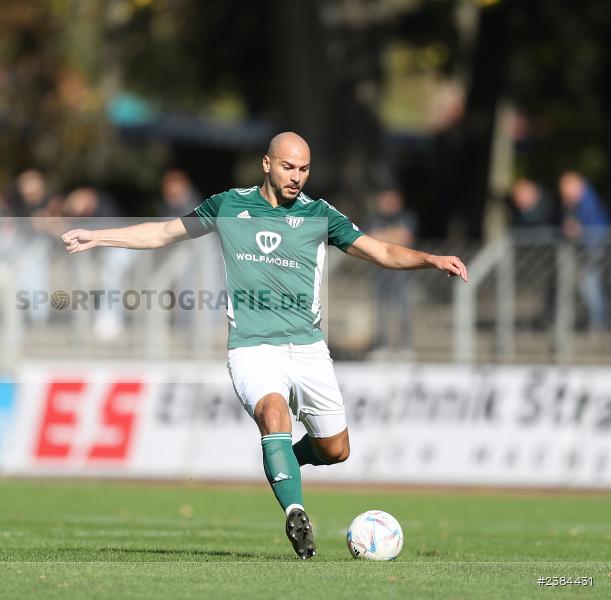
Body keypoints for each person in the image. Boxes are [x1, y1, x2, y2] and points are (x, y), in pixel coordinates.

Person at [60, 132, 467, 559]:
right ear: (267, 164)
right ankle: (296, 511)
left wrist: (430, 258)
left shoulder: (320, 214)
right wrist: (100, 237)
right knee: (273, 413)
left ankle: (280, 462)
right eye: (289, 167)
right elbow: (164, 232)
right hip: (252, 348)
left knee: (336, 449)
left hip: (308, 348)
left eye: (304, 169)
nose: (297, 177)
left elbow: (379, 250)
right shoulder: (228, 206)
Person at [366, 189, 417, 354]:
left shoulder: (407, 218)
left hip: (402, 276)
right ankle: (382, 345)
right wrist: (392, 237)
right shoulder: (373, 219)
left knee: (404, 311)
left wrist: (383, 238)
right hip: (381, 275)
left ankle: (405, 347)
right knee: (381, 312)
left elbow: (406, 238)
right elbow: (369, 239)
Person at [558, 171, 609, 331]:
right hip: (589, 249)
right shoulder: (578, 202)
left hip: (594, 249)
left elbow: (593, 225)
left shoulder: (588, 202)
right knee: (588, 286)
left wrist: (578, 229)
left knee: (589, 285)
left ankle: (598, 323)